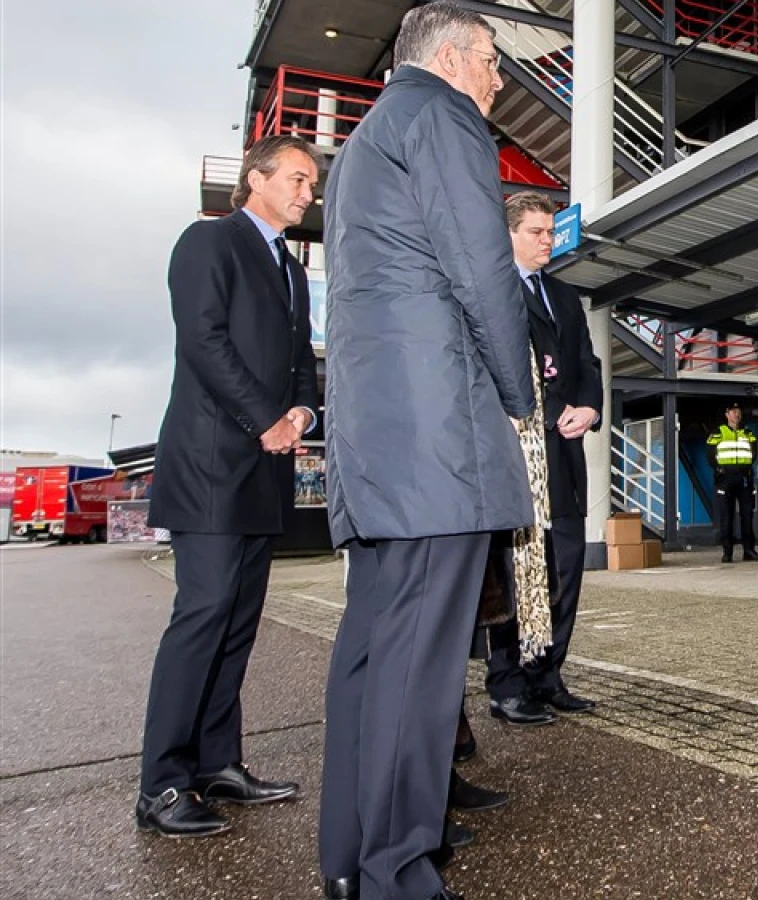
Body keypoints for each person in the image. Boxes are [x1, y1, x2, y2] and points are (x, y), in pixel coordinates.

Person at [318, 5, 539, 900]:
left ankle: (351, 857)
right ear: (451, 56)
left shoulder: (369, 139)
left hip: (381, 442)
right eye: (491, 61)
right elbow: (483, 269)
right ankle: (397, 871)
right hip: (435, 438)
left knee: (373, 651)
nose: (498, 81)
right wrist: (520, 395)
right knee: (420, 663)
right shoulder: (440, 116)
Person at [136, 134, 320, 838]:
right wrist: (265, 417)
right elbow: (203, 340)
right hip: (212, 462)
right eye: (299, 179)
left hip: (263, 470)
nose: (309, 193)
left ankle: (218, 764)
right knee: (202, 615)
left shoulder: (292, 270)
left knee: (237, 624)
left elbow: (300, 359)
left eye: (312, 183)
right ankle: (161, 784)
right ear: (256, 179)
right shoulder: (208, 243)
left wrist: (302, 409)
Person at [481, 190, 604, 721]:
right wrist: (552, 407)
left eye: (551, 232)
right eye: (536, 232)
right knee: (516, 572)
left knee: (565, 569)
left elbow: (587, 362)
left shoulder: (566, 296)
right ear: (508, 233)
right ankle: (506, 683)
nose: (548, 241)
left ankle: (548, 674)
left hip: (566, 460)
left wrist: (590, 408)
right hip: (518, 459)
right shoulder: (492, 290)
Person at [708, 402, 758, 563]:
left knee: (747, 515)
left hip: (744, 478)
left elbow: (753, 453)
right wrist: (720, 470)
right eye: (733, 412)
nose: (736, 415)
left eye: (738, 411)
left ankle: (749, 550)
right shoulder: (718, 432)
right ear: (727, 414)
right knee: (727, 516)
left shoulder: (748, 433)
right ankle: (727, 552)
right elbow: (710, 456)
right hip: (725, 479)